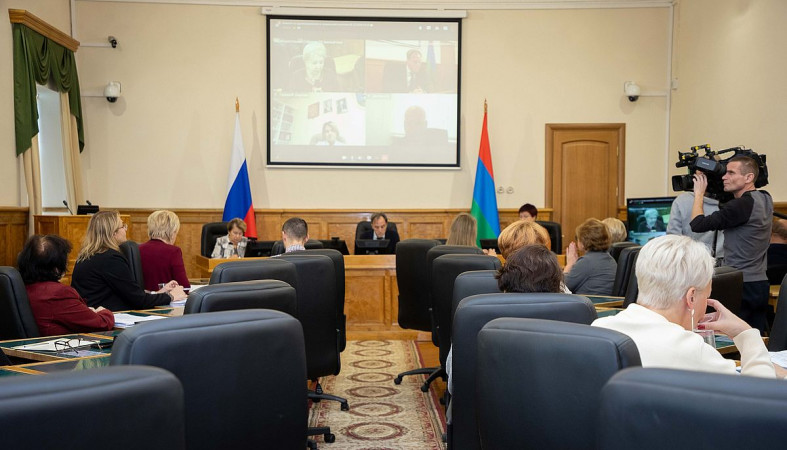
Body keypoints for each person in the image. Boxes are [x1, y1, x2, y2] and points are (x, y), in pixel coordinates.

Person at [593, 235, 778, 378]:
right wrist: (745, 334)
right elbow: (760, 397)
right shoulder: (691, 351)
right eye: (706, 296)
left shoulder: (599, 329)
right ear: (691, 297)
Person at [446, 244, 564, 392]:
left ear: (505, 279)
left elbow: (453, 384)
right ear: (557, 282)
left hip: (485, 405)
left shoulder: (471, 313)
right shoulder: (575, 310)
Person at [690, 156, 773, 332]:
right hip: (759, 282)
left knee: (733, 338)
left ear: (749, 177)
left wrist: (699, 193)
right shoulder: (765, 198)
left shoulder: (740, 206)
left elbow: (697, 224)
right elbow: (729, 202)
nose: (724, 177)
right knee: (753, 336)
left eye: (731, 173)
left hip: (739, 284)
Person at [71, 211, 186, 311]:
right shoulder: (111, 259)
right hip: (110, 319)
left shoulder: (85, 256)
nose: (126, 229)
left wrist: (160, 292)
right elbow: (139, 301)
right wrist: (170, 296)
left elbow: (128, 293)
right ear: (113, 233)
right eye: (123, 226)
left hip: (92, 316)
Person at [18, 234, 114, 336]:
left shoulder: (21, 288)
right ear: (56, 268)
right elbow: (101, 324)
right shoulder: (58, 294)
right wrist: (103, 311)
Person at [139, 210, 190, 292]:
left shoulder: (138, 249)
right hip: (165, 299)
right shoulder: (173, 251)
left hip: (142, 299)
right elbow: (184, 287)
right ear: (173, 232)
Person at [563, 218, 617, 295]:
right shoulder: (611, 259)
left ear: (583, 241)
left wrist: (569, 264)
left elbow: (563, 287)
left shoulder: (586, 262)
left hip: (590, 302)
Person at [666, 192, 724, 259]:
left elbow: (673, 242)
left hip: (690, 262)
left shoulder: (682, 201)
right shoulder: (732, 204)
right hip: (727, 262)